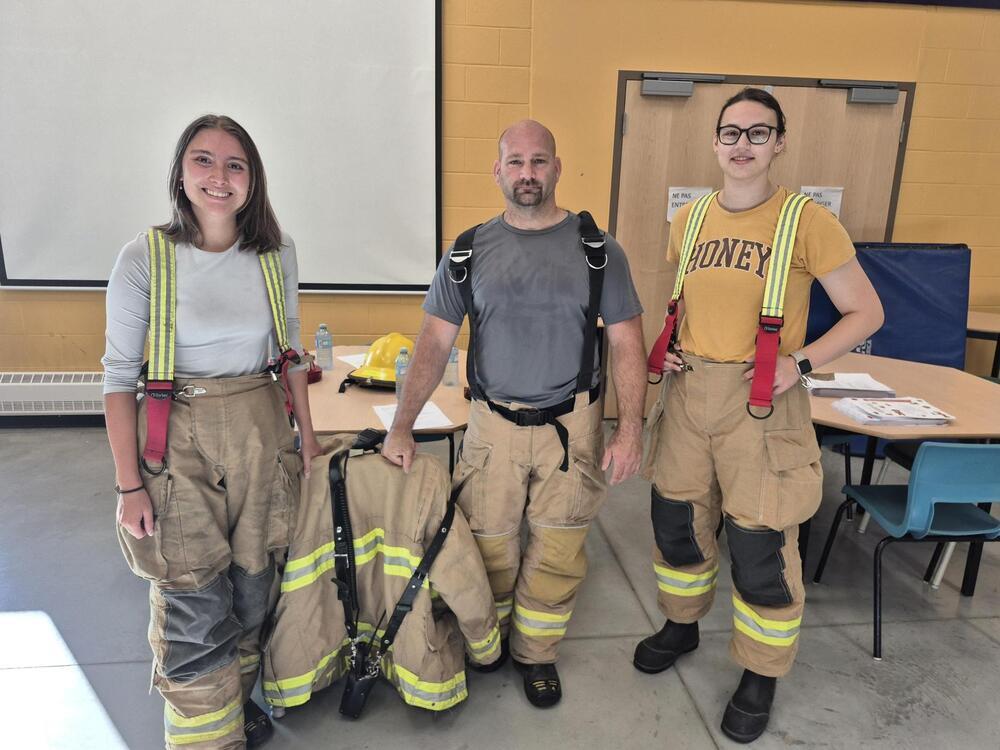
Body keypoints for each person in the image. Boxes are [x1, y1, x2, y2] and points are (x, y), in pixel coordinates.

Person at [636, 88, 884, 743]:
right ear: (715, 142)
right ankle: (682, 624)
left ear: (779, 143)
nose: (741, 144)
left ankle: (760, 672)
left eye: (757, 132)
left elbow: (867, 312)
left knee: (760, 542)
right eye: (730, 132)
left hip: (763, 401)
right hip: (689, 396)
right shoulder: (689, 219)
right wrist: (675, 345)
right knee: (678, 522)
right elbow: (694, 300)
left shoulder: (806, 220)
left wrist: (798, 364)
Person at [382, 119, 646, 708]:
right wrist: (402, 426)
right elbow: (433, 342)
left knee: (558, 551)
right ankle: (487, 644)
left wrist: (629, 428)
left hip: (572, 430)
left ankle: (536, 654)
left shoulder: (599, 250)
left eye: (539, 161)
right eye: (516, 162)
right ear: (498, 171)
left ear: (557, 167)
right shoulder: (468, 250)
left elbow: (627, 341)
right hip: (492, 428)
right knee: (487, 546)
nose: (528, 173)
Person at [103, 114, 320, 749]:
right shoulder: (145, 258)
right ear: (180, 172)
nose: (219, 176)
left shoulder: (276, 253)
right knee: (193, 596)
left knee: (254, 586)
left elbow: (291, 354)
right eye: (203, 160)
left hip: (261, 433)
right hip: (177, 441)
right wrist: (129, 486)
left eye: (234, 164)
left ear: (253, 179)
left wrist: (307, 438)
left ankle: (233, 701)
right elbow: (118, 379)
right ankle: (206, 738)